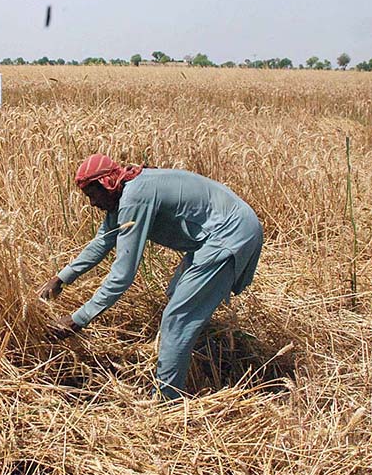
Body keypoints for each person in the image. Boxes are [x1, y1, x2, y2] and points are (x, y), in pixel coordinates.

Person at [39, 154, 263, 400]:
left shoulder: (135, 197)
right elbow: (103, 240)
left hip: (229, 233)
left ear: (106, 184)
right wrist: (62, 278)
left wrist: (78, 320)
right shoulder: (127, 189)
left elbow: (122, 275)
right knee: (177, 298)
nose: (92, 203)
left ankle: (168, 401)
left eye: (93, 195)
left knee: (178, 317)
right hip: (219, 232)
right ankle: (203, 362)